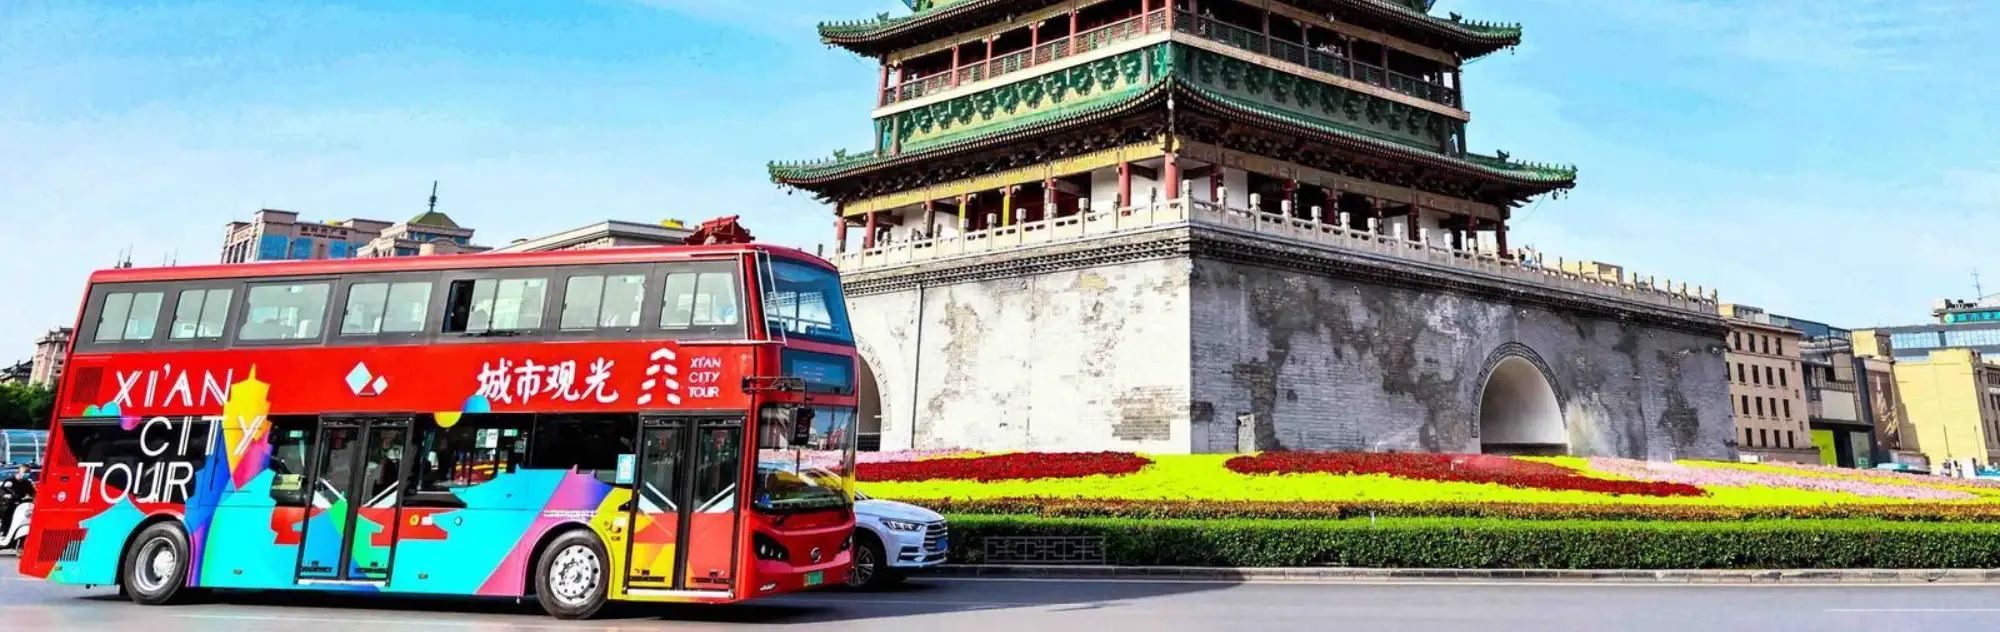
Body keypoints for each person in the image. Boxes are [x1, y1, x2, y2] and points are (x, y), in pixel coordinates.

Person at [0, 464, 34, 537]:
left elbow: (32, 493)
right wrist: (6, 495)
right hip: (8, 503)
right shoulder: (10, 480)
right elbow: (2, 491)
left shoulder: (27, 483)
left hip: (21, 504)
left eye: (28, 472)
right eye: (25, 472)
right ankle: (4, 532)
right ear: (19, 472)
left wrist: (32, 497)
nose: (27, 474)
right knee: (8, 512)